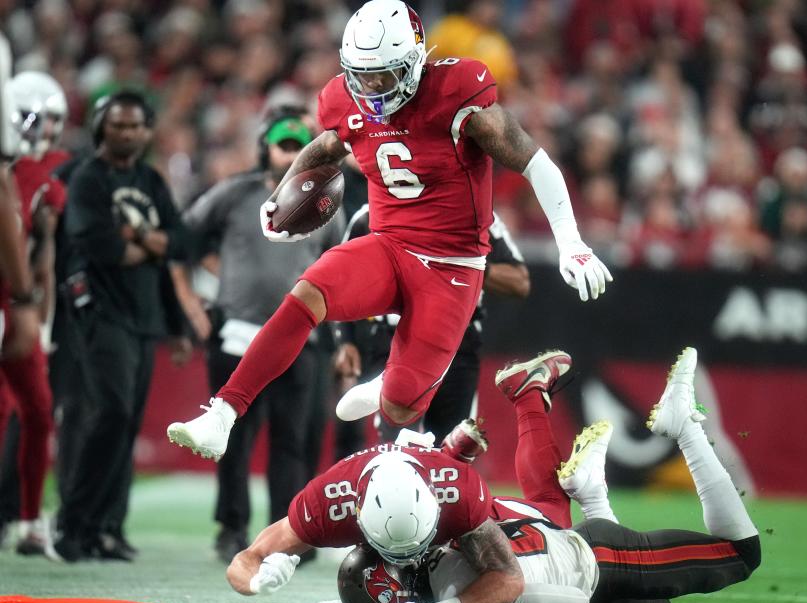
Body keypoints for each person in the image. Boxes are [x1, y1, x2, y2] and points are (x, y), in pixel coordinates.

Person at [167, 0, 612, 462]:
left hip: (452, 266)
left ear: (416, 60)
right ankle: (222, 413)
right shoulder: (345, 100)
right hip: (388, 246)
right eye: (362, 76)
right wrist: (280, 200)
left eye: (384, 75)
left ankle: (389, 384)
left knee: (402, 404)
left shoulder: (456, 95)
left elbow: (533, 161)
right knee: (306, 294)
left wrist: (571, 241)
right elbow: (322, 150)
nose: (373, 87)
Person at [311, 348, 762, 603]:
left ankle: (683, 427)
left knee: (742, 555)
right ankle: (589, 488)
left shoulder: (456, 582)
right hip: (546, 533)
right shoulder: (436, 518)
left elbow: (543, 593)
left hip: (589, 561)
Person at [178, 105, 344, 563]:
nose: (291, 152)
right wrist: (198, 297)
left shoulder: (328, 199)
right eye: (284, 144)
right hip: (237, 332)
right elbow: (184, 239)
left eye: (299, 144)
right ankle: (231, 528)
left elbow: (340, 265)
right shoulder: (235, 193)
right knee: (232, 437)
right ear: (265, 148)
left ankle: (287, 535)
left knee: (293, 440)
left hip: (301, 338)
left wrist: (341, 337)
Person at [53, 91, 191, 562]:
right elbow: (99, 245)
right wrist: (143, 246)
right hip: (101, 315)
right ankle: (72, 524)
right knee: (108, 415)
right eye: (118, 125)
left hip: (144, 316)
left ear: (148, 131)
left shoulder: (150, 180)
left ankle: (105, 528)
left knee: (126, 422)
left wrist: (141, 240)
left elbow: (180, 241)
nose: (127, 133)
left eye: (135, 126)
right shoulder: (87, 178)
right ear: (99, 128)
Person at [221, 443, 526, 603]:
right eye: (394, 552)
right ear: (357, 513)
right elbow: (248, 559)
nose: (409, 561)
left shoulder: (460, 493)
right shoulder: (326, 503)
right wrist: (257, 582)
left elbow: (510, 577)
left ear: (436, 503)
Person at [333, 206, 529, 443]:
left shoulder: (478, 215)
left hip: (457, 342)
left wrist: (464, 259)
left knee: (451, 448)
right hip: (394, 338)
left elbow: (520, 282)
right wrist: (345, 341)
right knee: (396, 447)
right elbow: (340, 280)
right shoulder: (369, 215)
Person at [0, 71, 70, 556]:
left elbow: (44, 249)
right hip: (12, 298)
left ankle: (27, 519)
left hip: (17, 299)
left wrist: (37, 311)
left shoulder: (53, 170)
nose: (42, 130)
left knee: (39, 410)